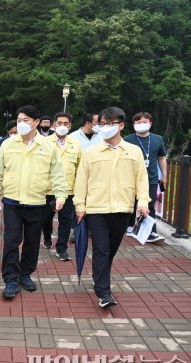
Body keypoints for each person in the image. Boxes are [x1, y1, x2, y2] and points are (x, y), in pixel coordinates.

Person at [74, 107, 150, 308]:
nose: (106, 128)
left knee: (111, 250)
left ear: (121, 125)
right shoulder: (91, 153)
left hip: (122, 208)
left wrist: (143, 202)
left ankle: (99, 277)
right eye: (103, 124)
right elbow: (81, 180)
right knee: (101, 249)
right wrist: (79, 205)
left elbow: (141, 178)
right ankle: (104, 292)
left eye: (111, 123)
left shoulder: (134, 152)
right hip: (96, 209)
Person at [0, 105, 67, 299]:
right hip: (12, 202)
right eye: (19, 120)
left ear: (36, 122)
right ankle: (10, 279)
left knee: (32, 242)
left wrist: (60, 195)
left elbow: (57, 173)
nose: (21, 124)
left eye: (25, 120)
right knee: (11, 241)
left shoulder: (48, 145)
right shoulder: (8, 144)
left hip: (36, 202)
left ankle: (25, 274)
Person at [41, 112, 82, 260]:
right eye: (59, 123)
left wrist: (79, 190)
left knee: (65, 221)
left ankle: (61, 248)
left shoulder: (76, 144)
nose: (62, 126)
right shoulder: (45, 143)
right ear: (53, 125)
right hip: (48, 190)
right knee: (45, 218)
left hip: (68, 190)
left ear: (70, 126)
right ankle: (46, 237)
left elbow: (79, 168)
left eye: (66, 124)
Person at [124, 112, 167, 243]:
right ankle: (130, 227)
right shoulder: (127, 139)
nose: (141, 125)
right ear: (133, 124)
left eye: (145, 122)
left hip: (152, 179)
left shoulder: (158, 139)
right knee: (131, 204)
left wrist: (164, 176)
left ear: (150, 123)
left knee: (150, 205)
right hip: (130, 178)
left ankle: (150, 232)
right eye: (138, 122)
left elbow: (161, 158)